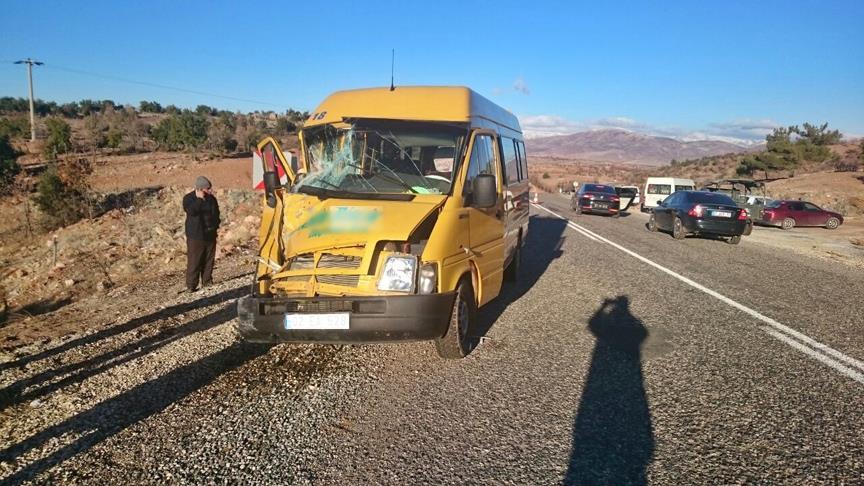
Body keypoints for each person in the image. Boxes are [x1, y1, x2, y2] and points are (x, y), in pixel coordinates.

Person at [183, 176, 220, 291]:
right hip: (196, 236)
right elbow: (191, 211)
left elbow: (216, 214)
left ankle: (207, 281)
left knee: (209, 260)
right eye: (207, 188)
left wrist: (215, 226)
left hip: (210, 234)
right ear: (200, 189)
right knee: (195, 261)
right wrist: (199, 200)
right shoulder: (189, 198)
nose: (209, 190)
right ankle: (191, 285)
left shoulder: (211, 199)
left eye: (210, 188)